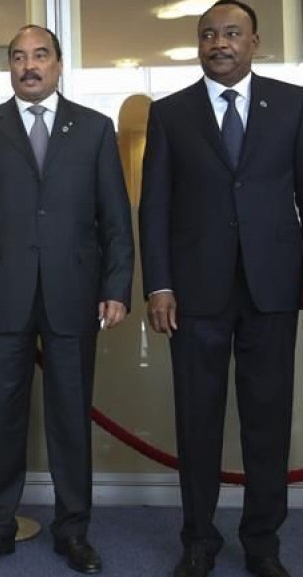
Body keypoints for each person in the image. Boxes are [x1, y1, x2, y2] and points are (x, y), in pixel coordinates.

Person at [0, 24, 134, 574]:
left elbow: (116, 220)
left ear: (58, 64)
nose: (29, 65)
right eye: (19, 57)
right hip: (0, 296)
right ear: (10, 66)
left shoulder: (96, 129)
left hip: (74, 294)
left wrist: (116, 287)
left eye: (40, 56)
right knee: (0, 419)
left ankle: (72, 531)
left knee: (70, 420)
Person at [139, 2, 303, 576]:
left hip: (273, 289)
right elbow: (153, 207)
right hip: (194, 293)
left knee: (268, 421)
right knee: (198, 420)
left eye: (231, 33)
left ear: (254, 42)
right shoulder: (170, 113)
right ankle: (198, 541)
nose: (219, 43)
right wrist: (158, 285)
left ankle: (262, 541)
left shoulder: (292, 104)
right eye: (208, 35)